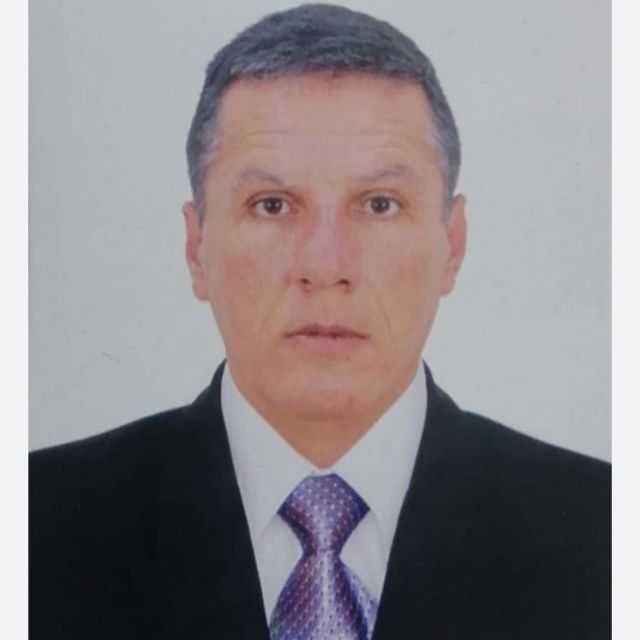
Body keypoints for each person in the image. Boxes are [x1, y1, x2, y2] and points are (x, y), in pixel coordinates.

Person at [29, 4, 610, 639]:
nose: (325, 265)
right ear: (196, 249)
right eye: (272, 205)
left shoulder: (603, 534)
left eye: (379, 204)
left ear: (454, 244)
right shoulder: (35, 529)